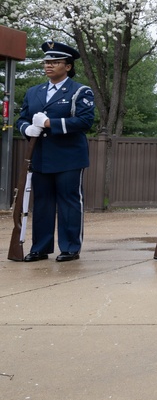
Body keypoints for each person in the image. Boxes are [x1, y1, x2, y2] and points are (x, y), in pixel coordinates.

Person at [16, 41, 95, 262]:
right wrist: (27, 128)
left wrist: (50, 123)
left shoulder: (79, 91)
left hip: (68, 157)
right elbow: (21, 119)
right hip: (40, 156)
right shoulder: (34, 92)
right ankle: (40, 247)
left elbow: (84, 121)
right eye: (46, 62)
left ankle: (70, 247)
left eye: (55, 62)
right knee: (42, 203)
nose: (49, 66)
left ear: (68, 66)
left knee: (69, 202)